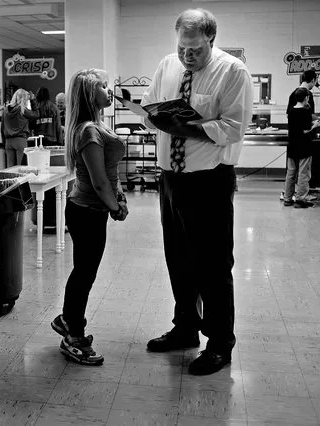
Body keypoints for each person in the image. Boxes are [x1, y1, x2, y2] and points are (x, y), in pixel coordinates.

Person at [142, 8, 253, 376]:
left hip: (209, 180)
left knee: (213, 264)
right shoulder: (167, 65)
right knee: (178, 258)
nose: (187, 57)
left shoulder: (232, 71)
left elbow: (235, 127)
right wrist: (153, 116)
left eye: (196, 50)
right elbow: (149, 107)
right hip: (170, 178)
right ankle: (185, 328)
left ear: (211, 40)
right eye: (182, 48)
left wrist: (188, 128)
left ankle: (220, 343)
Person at [49, 69, 128, 366]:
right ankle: (73, 335)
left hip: (94, 209)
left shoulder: (95, 125)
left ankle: (68, 320)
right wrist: (115, 207)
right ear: (88, 94)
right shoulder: (88, 131)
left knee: (85, 271)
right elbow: (98, 181)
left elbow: (109, 174)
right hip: (86, 210)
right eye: (103, 87)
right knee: (84, 273)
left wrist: (118, 198)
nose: (109, 91)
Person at [283, 87, 320, 208]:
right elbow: (306, 130)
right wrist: (315, 125)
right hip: (304, 146)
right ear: (306, 98)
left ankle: (287, 198)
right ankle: (300, 199)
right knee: (303, 174)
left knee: (290, 173)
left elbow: (296, 127)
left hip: (292, 146)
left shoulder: (291, 111)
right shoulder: (305, 112)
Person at [1, 89, 39, 166]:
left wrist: (4, 142)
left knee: (10, 167)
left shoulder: (5, 111)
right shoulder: (22, 109)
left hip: (8, 141)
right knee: (21, 166)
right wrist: (33, 101)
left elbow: (2, 128)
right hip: (20, 140)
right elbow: (36, 114)